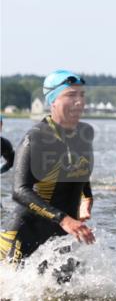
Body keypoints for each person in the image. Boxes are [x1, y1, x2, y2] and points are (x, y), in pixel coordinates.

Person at [0, 70, 96, 267]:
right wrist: (65, 220)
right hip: (25, 234)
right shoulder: (35, 138)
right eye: (70, 95)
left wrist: (87, 197)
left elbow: (78, 169)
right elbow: (20, 191)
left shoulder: (85, 133)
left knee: (68, 296)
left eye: (81, 95)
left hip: (64, 236)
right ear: (52, 101)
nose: (79, 101)